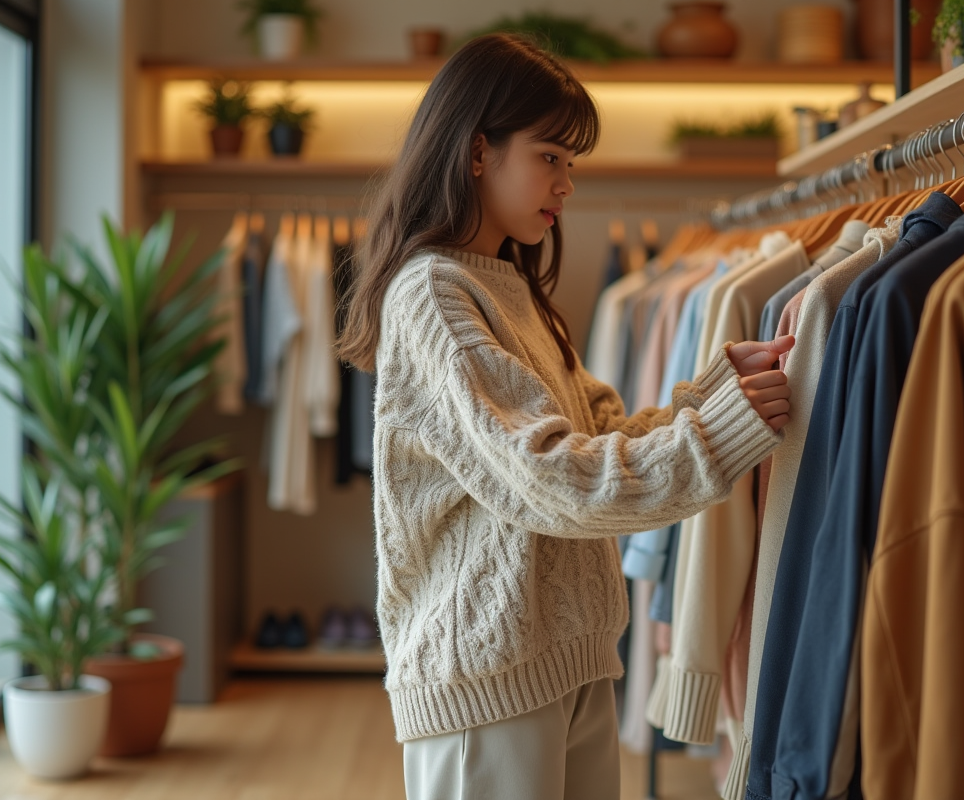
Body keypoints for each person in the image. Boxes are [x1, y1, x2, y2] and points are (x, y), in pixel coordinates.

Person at [338, 33, 794, 800]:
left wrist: (712, 398)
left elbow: (594, 434)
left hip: (567, 659)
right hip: (487, 682)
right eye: (550, 156)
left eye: (570, 162)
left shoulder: (508, 287)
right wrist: (717, 434)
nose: (567, 183)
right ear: (477, 151)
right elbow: (546, 475)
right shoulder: (433, 294)